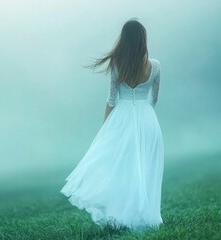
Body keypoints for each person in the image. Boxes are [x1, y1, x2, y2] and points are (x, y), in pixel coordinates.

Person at [60, 18, 164, 232]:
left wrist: (106, 129)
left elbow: (111, 100)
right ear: (143, 40)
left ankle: (122, 216)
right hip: (148, 121)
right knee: (145, 169)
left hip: (122, 120)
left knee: (123, 169)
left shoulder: (118, 65)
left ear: (124, 41)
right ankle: (143, 217)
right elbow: (154, 100)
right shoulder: (155, 66)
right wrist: (141, 107)